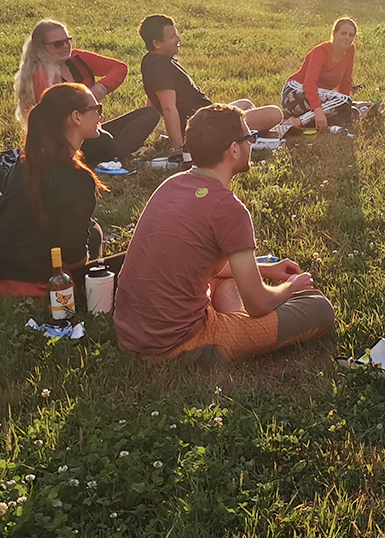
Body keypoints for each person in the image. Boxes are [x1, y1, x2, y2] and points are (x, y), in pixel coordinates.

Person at [114, 104, 335, 362]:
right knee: (318, 308)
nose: (251, 144)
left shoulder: (171, 184)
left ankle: (233, 319)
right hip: (177, 343)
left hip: (130, 334)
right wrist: (289, 286)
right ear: (233, 149)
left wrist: (264, 269)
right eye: (250, 138)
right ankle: (233, 330)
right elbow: (258, 304)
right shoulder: (228, 209)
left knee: (230, 283)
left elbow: (199, 262)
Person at [0, 84, 106, 297]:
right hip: (42, 284)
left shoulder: (23, 163)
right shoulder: (78, 178)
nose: (100, 116)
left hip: (5, 271)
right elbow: (73, 257)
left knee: (93, 230)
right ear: (76, 117)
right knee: (95, 235)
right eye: (97, 108)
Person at [13, 18, 161, 165]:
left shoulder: (77, 59)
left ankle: (113, 152)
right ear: (41, 48)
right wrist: (86, 103)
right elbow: (62, 118)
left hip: (93, 130)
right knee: (103, 138)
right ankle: (122, 156)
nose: (65, 46)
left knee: (149, 114)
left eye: (68, 40)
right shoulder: (40, 74)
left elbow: (119, 68)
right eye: (57, 44)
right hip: (68, 141)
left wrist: (102, 87)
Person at [138, 15, 284, 152]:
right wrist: (180, 148)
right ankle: (244, 138)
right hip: (205, 126)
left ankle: (249, 136)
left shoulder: (150, 61)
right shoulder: (160, 68)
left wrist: (142, 134)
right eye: (172, 37)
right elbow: (168, 108)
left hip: (208, 116)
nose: (178, 39)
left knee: (245, 104)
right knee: (274, 113)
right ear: (156, 43)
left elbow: (151, 101)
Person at [281, 18, 360, 132]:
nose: (347, 37)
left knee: (345, 103)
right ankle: (299, 121)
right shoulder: (321, 52)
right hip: (294, 92)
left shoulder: (350, 50)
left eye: (350, 35)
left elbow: (346, 81)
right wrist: (318, 110)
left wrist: (344, 108)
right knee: (343, 101)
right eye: (343, 33)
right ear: (334, 34)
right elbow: (309, 83)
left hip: (314, 98)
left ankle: (301, 119)